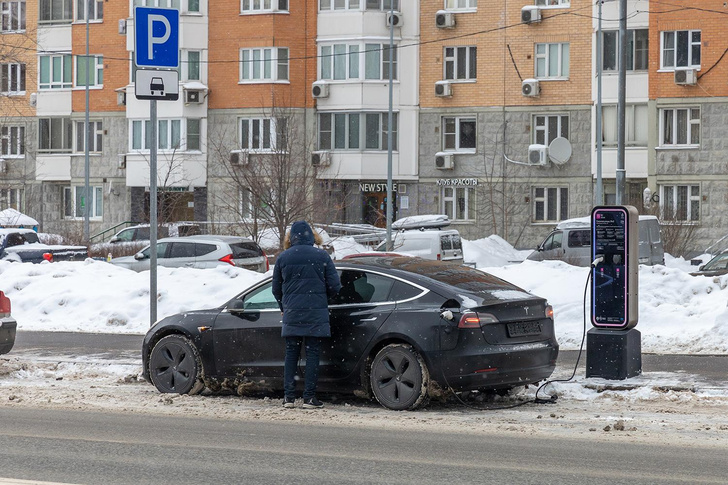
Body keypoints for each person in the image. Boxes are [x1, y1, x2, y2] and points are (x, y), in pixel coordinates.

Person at [272, 221, 341, 409]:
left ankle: (288, 397)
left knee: (291, 354)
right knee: (312, 354)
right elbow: (335, 286)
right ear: (312, 235)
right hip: (315, 312)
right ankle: (309, 397)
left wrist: (283, 305)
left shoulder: (283, 258)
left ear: (290, 237)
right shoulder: (321, 256)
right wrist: (321, 298)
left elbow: (276, 289)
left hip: (292, 312)